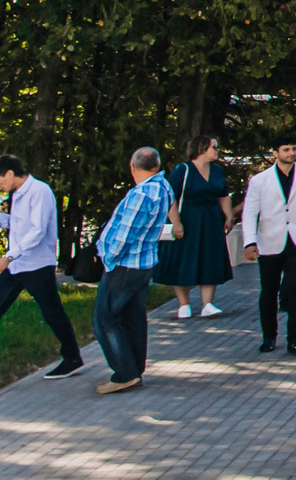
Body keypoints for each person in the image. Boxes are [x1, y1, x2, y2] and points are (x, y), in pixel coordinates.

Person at [93, 148, 174, 393]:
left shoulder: (142, 193)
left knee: (105, 319)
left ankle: (124, 373)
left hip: (126, 264)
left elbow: (124, 234)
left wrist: (108, 257)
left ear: (132, 166)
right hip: (145, 262)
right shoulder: (164, 187)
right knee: (133, 317)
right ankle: (134, 369)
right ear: (157, 166)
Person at [240, 132, 296, 356]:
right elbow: (250, 213)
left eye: (294, 149)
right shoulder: (260, 180)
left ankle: (294, 338)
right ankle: (269, 336)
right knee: (268, 291)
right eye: (286, 150)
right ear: (275, 153)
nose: (291, 153)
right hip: (269, 240)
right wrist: (249, 242)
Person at [0, 155, 82, 379]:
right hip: (17, 265)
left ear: (9, 173)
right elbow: (17, 224)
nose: (0, 186)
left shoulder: (40, 191)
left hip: (37, 265)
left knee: (52, 312)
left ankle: (73, 358)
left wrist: (7, 256)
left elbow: (36, 231)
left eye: (0, 180)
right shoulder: (16, 193)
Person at [161, 136, 235, 318]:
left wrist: (229, 216)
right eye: (214, 146)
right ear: (201, 148)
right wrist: (176, 222)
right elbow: (171, 197)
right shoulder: (183, 170)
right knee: (183, 259)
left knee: (210, 259)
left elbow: (223, 195)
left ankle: (207, 303)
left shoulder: (217, 171)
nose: (217, 150)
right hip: (188, 220)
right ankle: (183, 304)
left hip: (211, 220)